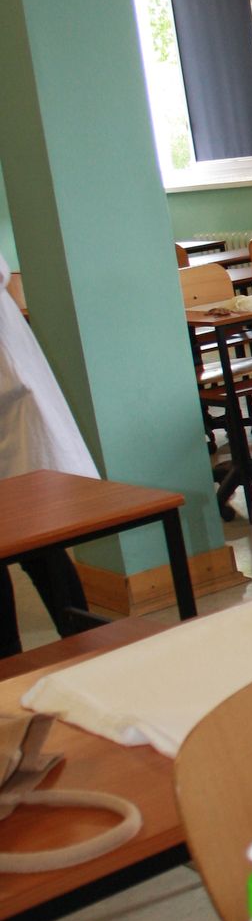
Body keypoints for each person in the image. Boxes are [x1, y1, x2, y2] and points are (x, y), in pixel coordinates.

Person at [0, 252, 96, 656]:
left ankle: (81, 646)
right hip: (12, 398)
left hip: (12, 400)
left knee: (35, 540)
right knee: (30, 543)